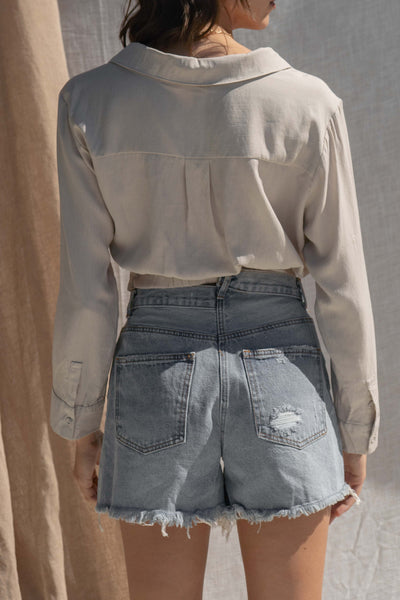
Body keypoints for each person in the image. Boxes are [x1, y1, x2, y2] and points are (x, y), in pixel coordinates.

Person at [50, 0, 380, 598]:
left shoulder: (90, 100)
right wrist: (356, 430)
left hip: (155, 367)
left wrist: (81, 423)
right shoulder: (308, 103)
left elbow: (87, 289)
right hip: (281, 367)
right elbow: (343, 287)